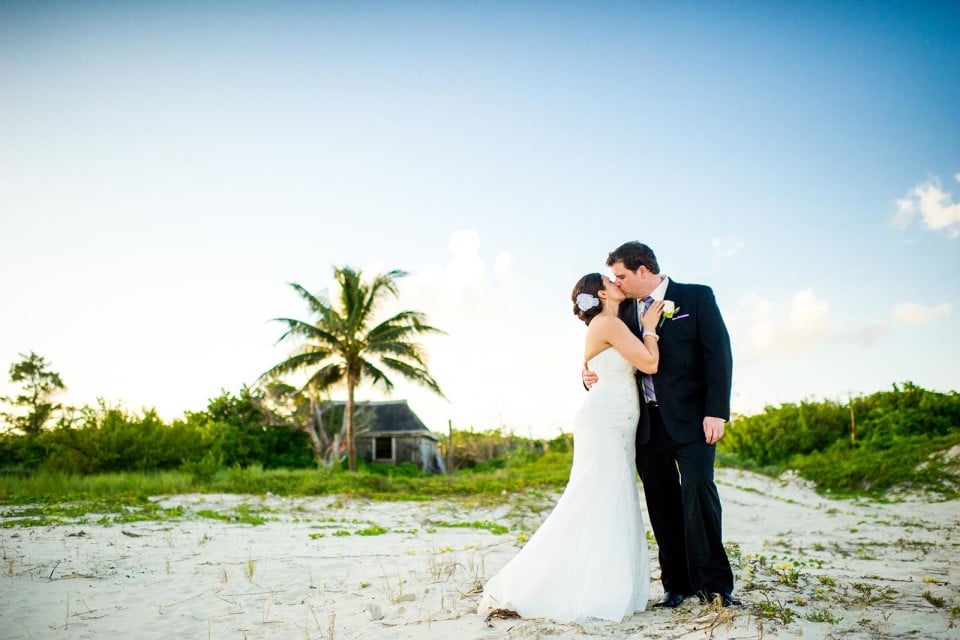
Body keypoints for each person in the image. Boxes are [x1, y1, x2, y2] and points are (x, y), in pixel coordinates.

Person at [478, 273, 663, 624]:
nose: (618, 282)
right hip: (606, 419)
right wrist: (651, 328)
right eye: (612, 280)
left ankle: (609, 581)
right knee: (598, 496)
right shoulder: (608, 322)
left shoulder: (610, 323)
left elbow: (604, 365)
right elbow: (649, 363)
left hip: (615, 417)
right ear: (602, 292)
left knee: (610, 495)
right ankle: (586, 585)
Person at [583, 241, 737, 609]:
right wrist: (587, 372)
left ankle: (715, 585)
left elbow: (719, 354)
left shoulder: (696, 297)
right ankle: (676, 584)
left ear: (643, 271)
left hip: (696, 420)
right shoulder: (619, 314)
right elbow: (604, 355)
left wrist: (717, 411)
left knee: (699, 491)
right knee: (661, 503)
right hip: (646, 425)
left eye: (621, 275)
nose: (617, 283)